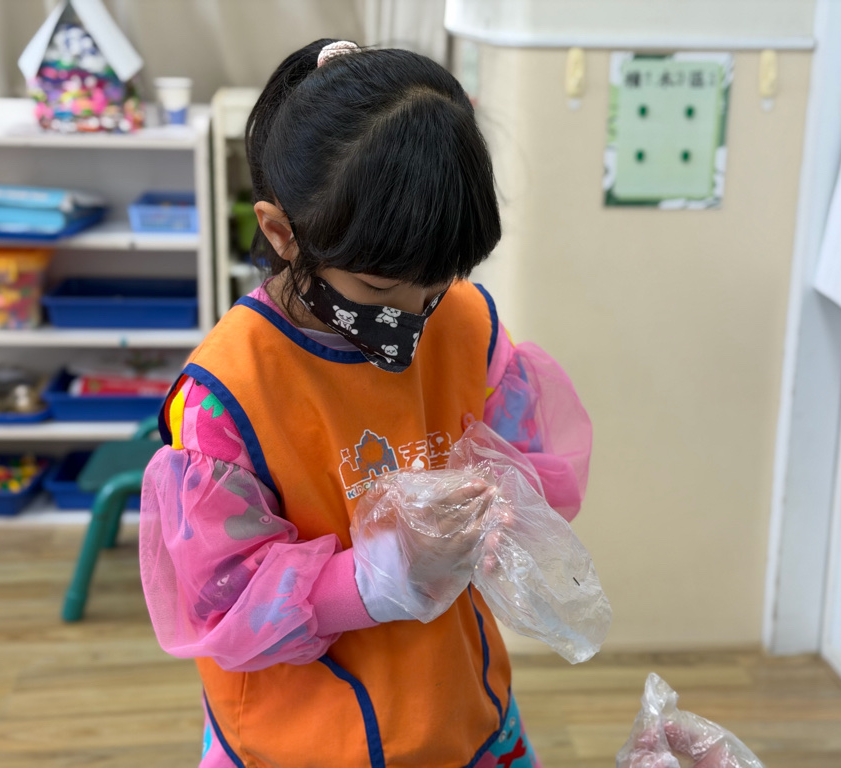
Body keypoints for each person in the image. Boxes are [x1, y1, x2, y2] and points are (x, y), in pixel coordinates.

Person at [139, 38, 593, 768]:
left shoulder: (466, 324)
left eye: (435, 285)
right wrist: (379, 576)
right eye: (379, 290)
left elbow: (529, 464)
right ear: (282, 233)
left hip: (460, 710)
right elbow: (228, 603)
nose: (413, 316)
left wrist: (504, 513)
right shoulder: (228, 396)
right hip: (298, 739)